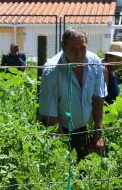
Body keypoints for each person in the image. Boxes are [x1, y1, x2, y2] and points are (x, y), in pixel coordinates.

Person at [38, 28, 107, 160]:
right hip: (60, 131)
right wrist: (63, 147)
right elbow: (49, 115)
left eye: (82, 48)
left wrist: (98, 134)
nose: (79, 53)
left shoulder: (95, 62)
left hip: (84, 129)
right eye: (73, 48)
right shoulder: (51, 71)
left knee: (85, 171)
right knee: (65, 172)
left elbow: (98, 98)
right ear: (63, 47)